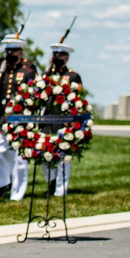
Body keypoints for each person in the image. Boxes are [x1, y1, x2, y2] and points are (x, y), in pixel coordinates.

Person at [0, 37, 37, 201]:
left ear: (21, 52)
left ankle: (18, 192)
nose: (10, 54)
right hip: (2, 118)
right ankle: (5, 182)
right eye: (8, 51)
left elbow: (35, 95)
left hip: (20, 118)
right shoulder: (4, 71)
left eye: (13, 51)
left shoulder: (28, 71)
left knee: (19, 159)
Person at [45, 42, 80, 197]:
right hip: (48, 119)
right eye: (55, 55)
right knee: (46, 154)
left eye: (61, 55)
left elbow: (77, 100)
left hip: (64, 119)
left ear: (66, 57)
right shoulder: (47, 75)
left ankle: (61, 188)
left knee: (63, 155)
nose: (57, 58)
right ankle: (51, 183)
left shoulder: (73, 76)